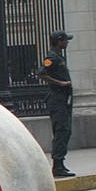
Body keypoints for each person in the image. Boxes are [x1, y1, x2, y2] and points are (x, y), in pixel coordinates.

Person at [40, 31, 74, 177]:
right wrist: (60, 83)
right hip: (57, 98)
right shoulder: (51, 58)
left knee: (65, 130)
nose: (67, 42)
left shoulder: (59, 57)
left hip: (63, 98)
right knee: (61, 130)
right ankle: (57, 165)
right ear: (59, 41)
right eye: (65, 40)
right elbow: (41, 74)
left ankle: (60, 163)